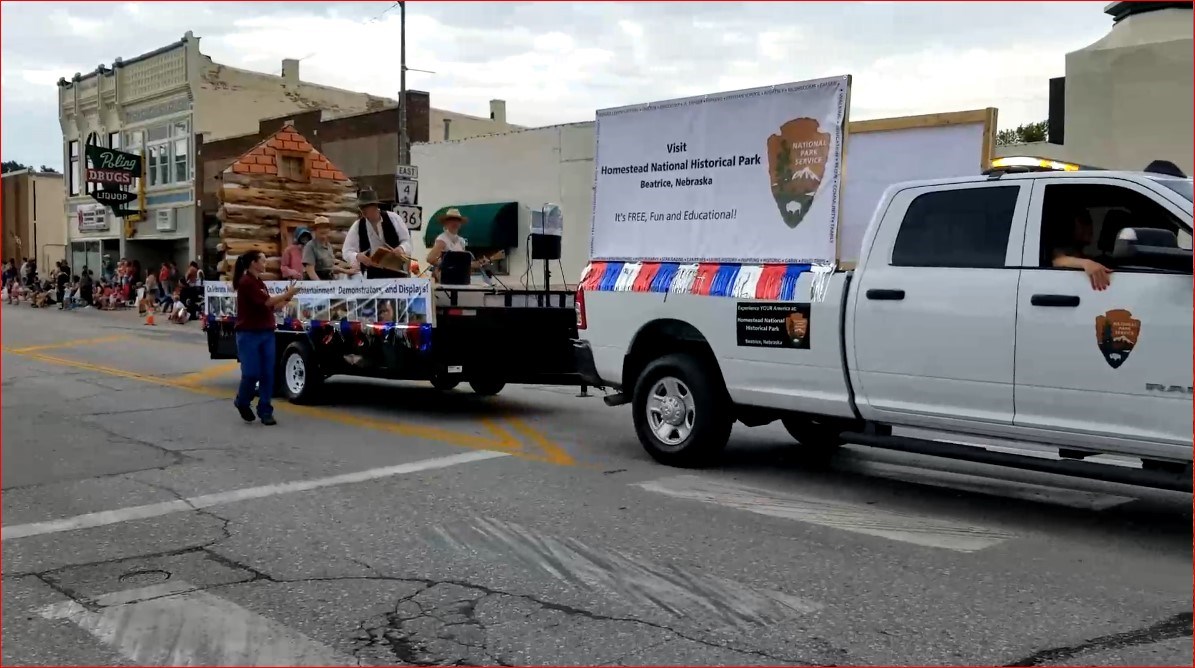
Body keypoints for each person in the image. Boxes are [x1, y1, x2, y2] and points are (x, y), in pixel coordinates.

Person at [232, 250, 299, 426]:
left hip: (266, 332)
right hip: (249, 334)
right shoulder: (246, 282)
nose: (265, 263)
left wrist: (287, 298)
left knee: (268, 374)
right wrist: (285, 294)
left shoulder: (259, 282)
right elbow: (267, 302)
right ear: (253, 263)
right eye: (262, 260)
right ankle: (242, 401)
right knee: (251, 373)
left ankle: (265, 410)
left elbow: (269, 306)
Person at [341, 188, 413, 278]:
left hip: (396, 271)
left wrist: (401, 248)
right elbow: (346, 251)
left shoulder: (393, 218)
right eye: (361, 207)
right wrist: (358, 256)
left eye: (365, 206)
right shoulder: (358, 225)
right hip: (372, 273)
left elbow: (407, 242)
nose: (363, 210)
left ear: (375, 206)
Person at [1050, 207, 1112, 291]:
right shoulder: (1058, 252)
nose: (1090, 226)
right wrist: (1085, 263)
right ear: (1069, 224)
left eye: (1089, 221)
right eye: (1085, 221)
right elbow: (1057, 261)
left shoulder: (1097, 259)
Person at [425, 208, 491, 276]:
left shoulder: (461, 241)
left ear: (460, 224)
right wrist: (446, 265)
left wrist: (479, 263)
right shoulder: (442, 239)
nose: (455, 223)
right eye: (451, 220)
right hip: (445, 277)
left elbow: (463, 263)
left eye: (457, 220)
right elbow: (430, 258)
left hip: (460, 277)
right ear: (446, 223)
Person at [302, 217, 343, 281]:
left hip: (328, 280)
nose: (323, 229)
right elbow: (310, 271)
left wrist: (347, 271)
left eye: (326, 227)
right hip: (314, 283)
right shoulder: (310, 246)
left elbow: (330, 267)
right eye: (320, 227)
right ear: (315, 230)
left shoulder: (328, 245)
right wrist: (321, 286)